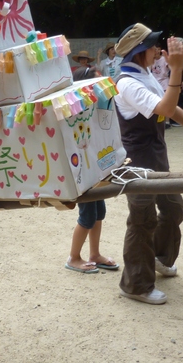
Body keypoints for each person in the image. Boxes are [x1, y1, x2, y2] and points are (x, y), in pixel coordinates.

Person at [114, 24, 183, 304]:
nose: (159, 49)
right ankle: (136, 285)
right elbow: (166, 109)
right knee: (141, 220)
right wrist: (178, 70)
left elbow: (170, 106)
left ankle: (158, 257)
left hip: (156, 154)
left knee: (173, 208)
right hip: (137, 158)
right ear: (139, 50)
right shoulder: (127, 82)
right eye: (154, 45)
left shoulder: (143, 74)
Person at [65, 65, 118, 274]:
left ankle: (94, 253)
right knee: (87, 216)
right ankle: (74, 257)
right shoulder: (76, 109)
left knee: (99, 213)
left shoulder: (96, 109)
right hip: (83, 171)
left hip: (96, 169)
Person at [151, 43, 171, 128]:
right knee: (156, 102)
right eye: (156, 49)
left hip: (164, 81)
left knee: (166, 101)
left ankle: (167, 121)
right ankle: (158, 120)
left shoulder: (164, 59)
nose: (157, 51)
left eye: (159, 49)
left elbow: (170, 67)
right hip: (155, 82)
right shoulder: (151, 60)